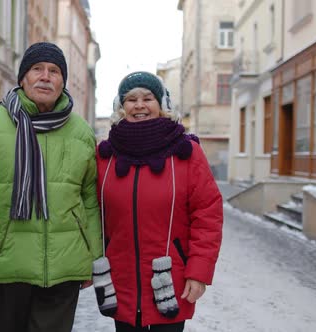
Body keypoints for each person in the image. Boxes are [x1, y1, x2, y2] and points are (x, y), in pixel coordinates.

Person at [0, 42, 102, 332]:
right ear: (22, 78)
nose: (45, 76)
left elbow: (90, 200)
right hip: (7, 266)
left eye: (54, 71)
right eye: (36, 69)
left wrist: (92, 258)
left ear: (63, 81)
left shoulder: (81, 133)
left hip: (64, 270)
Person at [94, 72, 223, 331]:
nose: (139, 105)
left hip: (170, 279)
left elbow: (207, 214)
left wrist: (198, 272)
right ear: (121, 107)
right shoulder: (105, 156)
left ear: (162, 105)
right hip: (121, 280)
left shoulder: (186, 153)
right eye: (131, 99)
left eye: (147, 98)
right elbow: (90, 212)